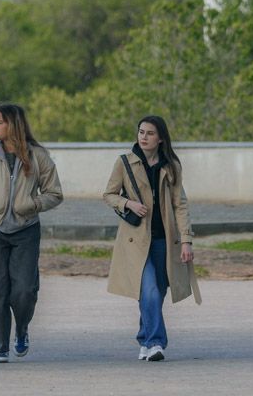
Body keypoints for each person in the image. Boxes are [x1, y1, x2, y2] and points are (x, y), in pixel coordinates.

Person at [0, 103, 64, 363]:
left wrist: (32, 204)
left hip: (26, 229)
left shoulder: (37, 156)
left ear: (13, 125)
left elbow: (54, 193)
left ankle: (21, 330)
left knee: (24, 291)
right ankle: (1, 346)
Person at [102, 115, 201, 362]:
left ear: (160, 138)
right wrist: (129, 203)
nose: (143, 137)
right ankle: (156, 342)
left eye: (149, 133)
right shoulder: (124, 163)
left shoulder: (171, 167)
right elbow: (109, 194)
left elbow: (181, 205)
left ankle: (145, 337)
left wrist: (186, 240)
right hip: (136, 241)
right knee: (149, 291)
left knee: (156, 291)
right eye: (141, 132)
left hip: (164, 240)